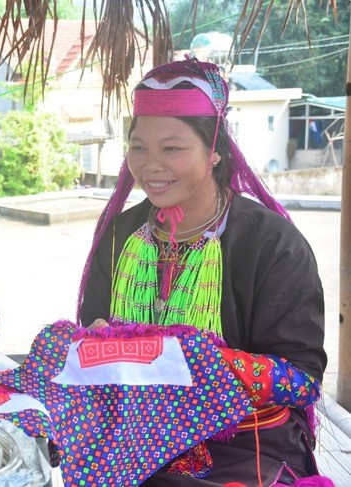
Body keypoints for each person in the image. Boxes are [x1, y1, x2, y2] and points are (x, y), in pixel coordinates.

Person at [76, 57, 327, 485]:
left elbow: (303, 381)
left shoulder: (271, 242)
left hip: (241, 441)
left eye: (171, 148)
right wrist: (96, 341)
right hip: (135, 434)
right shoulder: (121, 234)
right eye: (138, 147)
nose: (150, 165)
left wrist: (197, 360)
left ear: (214, 152)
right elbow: (92, 334)